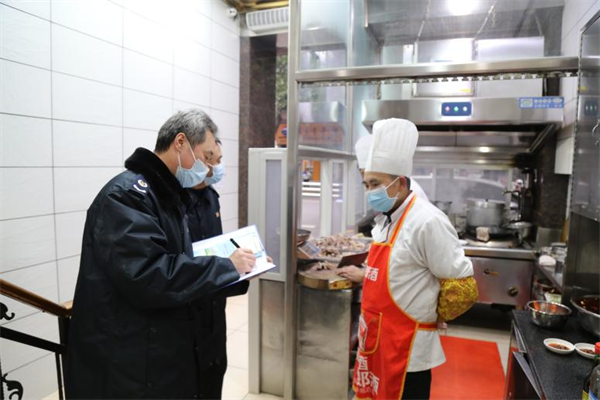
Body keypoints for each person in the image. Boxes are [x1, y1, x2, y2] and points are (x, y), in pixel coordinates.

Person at [65, 109, 257, 400]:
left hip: (157, 348)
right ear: (180, 142)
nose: (208, 169)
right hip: (129, 358)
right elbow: (149, 275)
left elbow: (179, 264)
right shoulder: (127, 196)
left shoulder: (168, 194)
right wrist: (224, 267)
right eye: (206, 157)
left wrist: (233, 272)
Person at [346, 118, 474, 400]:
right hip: (376, 341)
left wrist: (436, 312)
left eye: (375, 184)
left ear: (400, 182)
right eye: (366, 184)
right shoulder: (387, 219)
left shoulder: (427, 221)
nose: (370, 192)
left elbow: (463, 286)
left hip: (408, 348)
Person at [186, 140, 248, 399]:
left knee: (215, 372)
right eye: (215, 159)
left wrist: (242, 266)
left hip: (214, 307)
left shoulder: (211, 197)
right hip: (189, 309)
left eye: (221, 159)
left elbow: (216, 250)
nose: (219, 166)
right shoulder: (175, 201)